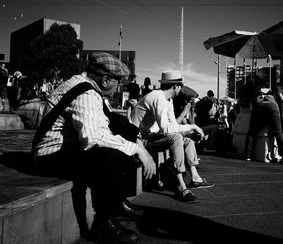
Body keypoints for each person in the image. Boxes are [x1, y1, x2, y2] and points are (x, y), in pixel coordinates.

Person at [32, 52, 156, 244]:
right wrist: (138, 149)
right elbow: (94, 138)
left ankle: (116, 203)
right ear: (106, 80)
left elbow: (108, 124)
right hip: (50, 156)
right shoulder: (87, 94)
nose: (118, 87)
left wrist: (136, 143)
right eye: (118, 82)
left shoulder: (85, 86)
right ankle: (102, 224)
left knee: (121, 132)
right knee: (112, 156)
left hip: (64, 151)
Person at [130, 70, 214, 203]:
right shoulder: (157, 97)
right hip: (139, 139)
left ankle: (195, 177)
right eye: (180, 86)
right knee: (177, 138)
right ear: (176, 86)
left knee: (187, 139)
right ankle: (181, 186)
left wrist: (190, 132)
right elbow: (167, 129)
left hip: (152, 136)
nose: (181, 89)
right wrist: (193, 126)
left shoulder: (167, 100)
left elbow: (173, 126)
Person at [241, 67, 283, 165]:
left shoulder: (253, 86)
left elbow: (244, 96)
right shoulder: (273, 87)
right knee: (278, 132)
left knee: (252, 131)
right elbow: (279, 101)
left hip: (259, 106)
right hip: (272, 106)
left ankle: (247, 155)